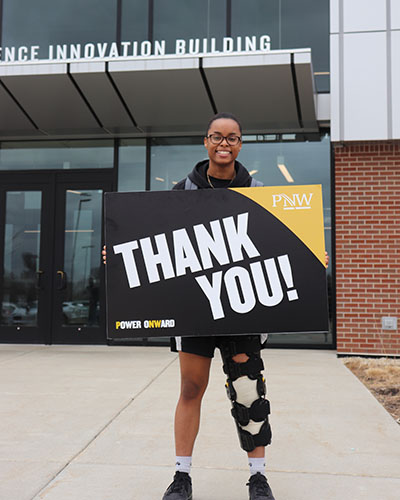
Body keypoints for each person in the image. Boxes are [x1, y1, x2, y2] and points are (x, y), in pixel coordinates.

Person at [102, 112, 329, 500]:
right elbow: (152, 243)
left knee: (248, 390)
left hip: (244, 307)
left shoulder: (259, 191)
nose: (224, 144)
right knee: (191, 387)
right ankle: (181, 477)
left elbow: (277, 244)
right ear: (205, 141)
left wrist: (308, 254)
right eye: (217, 137)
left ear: (241, 144)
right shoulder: (181, 191)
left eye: (232, 138)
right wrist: (119, 257)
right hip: (194, 309)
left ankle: (258, 477)